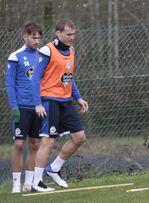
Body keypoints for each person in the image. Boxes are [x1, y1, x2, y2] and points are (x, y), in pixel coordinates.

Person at [31, 19, 88, 192]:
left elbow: (69, 77)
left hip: (66, 101)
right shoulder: (47, 50)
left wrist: (78, 98)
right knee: (48, 141)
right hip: (49, 101)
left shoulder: (71, 50)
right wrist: (37, 103)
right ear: (58, 33)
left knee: (79, 137)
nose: (72, 37)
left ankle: (54, 169)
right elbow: (34, 78)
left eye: (73, 34)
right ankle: (36, 182)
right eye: (68, 34)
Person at [5, 22, 43, 193]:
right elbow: (10, 85)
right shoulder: (15, 56)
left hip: (38, 107)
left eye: (39, 38)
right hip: (21, 107)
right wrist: (14, 107)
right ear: (25, 36)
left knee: (35, 144)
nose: (37, 41)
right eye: (33, 37)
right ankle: (15, 184)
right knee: (19, 144)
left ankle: (29, 183)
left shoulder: (42, 56)